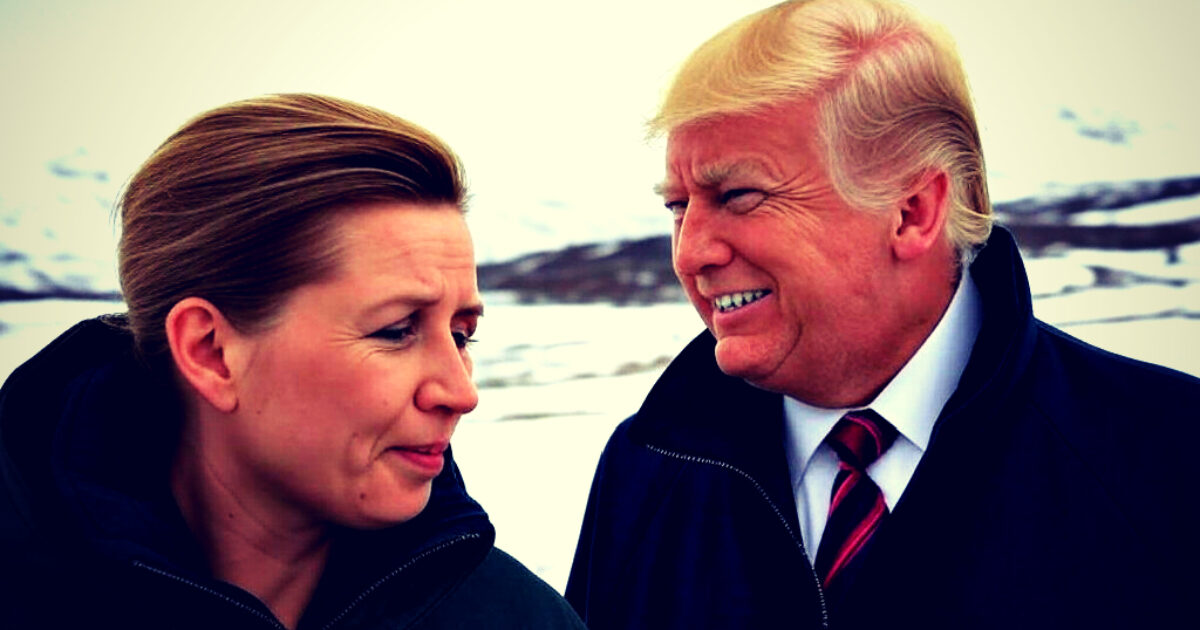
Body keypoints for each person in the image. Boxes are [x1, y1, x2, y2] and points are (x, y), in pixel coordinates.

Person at [565, 1, 1200, 628]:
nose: (690, 253)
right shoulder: (646, 473)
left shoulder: (1167, 458)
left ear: (911, 211)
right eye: (679, 207)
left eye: (738, 195)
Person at [0, 94, 586, 629]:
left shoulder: (519, 620)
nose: (461, 393)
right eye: (396, 330)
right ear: (211, 352)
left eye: (461, 336)